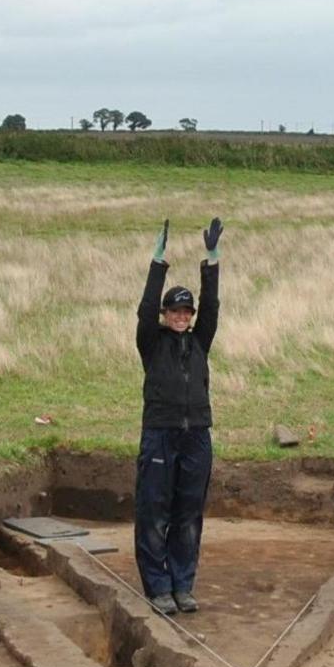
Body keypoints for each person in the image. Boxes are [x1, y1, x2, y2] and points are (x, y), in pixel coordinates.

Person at [135, 217, 221, 615]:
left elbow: (213, 307)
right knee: (155, 513)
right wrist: (158, 262)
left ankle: (183, 585)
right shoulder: (151, 343)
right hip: (160, 435)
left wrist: (212, 259)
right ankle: (158, 587)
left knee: (188, 515)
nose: (181, 318)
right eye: (175, 311)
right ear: (166, 314)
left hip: (197, 436)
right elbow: (146, 308)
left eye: (187, 312)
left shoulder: (200, 341)